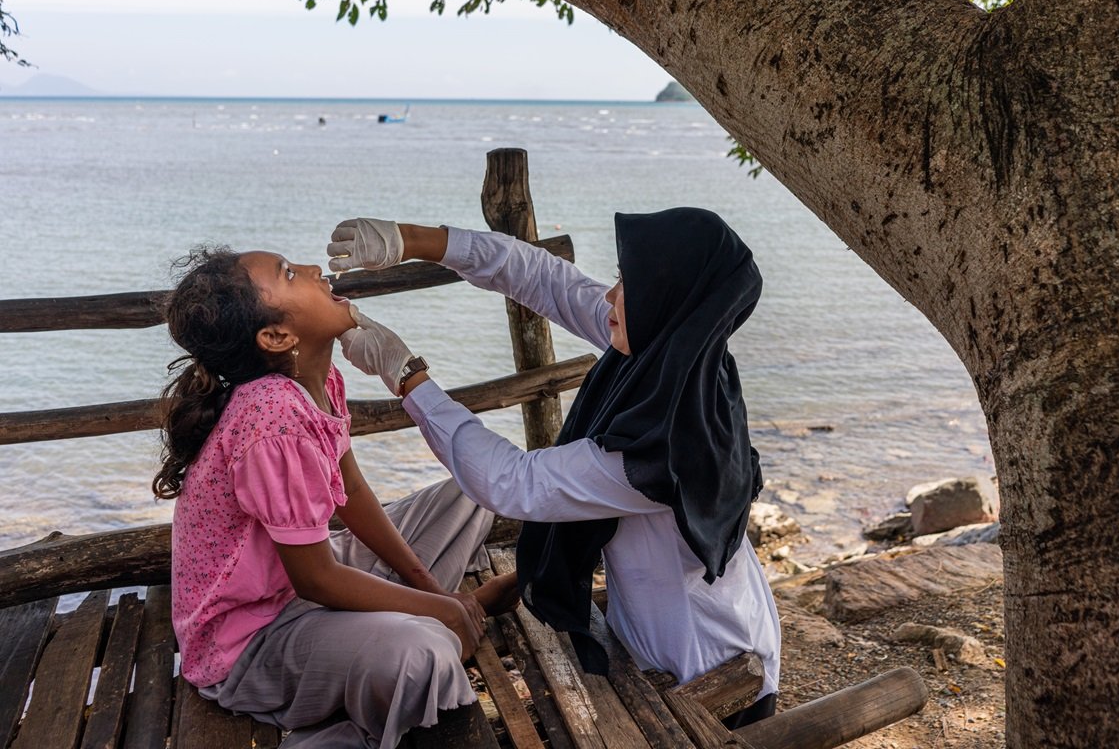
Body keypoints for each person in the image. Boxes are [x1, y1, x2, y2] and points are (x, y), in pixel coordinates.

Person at [328, 208, 782, 727]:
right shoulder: (675, 357)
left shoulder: (664, 449)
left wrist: (407, 375)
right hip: (672, 630)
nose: (609, 296)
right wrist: (409, 239)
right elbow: (542, 277)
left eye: (627, 283)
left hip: (705, 667)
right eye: (617, 277)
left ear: (670, 297)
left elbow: (513, 482)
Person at [153, 247, 517, 748]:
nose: (313, 270)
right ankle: (441, 627)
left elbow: (352, 494)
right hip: (249, 642)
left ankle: (443, 616)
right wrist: (439, 612)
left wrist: (431, 592)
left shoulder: (320, 382)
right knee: (420, 652)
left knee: (476, 487)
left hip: (296, 585)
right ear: (277, 336)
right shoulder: (271, 417)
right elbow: (316, 580)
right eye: (289, 273)